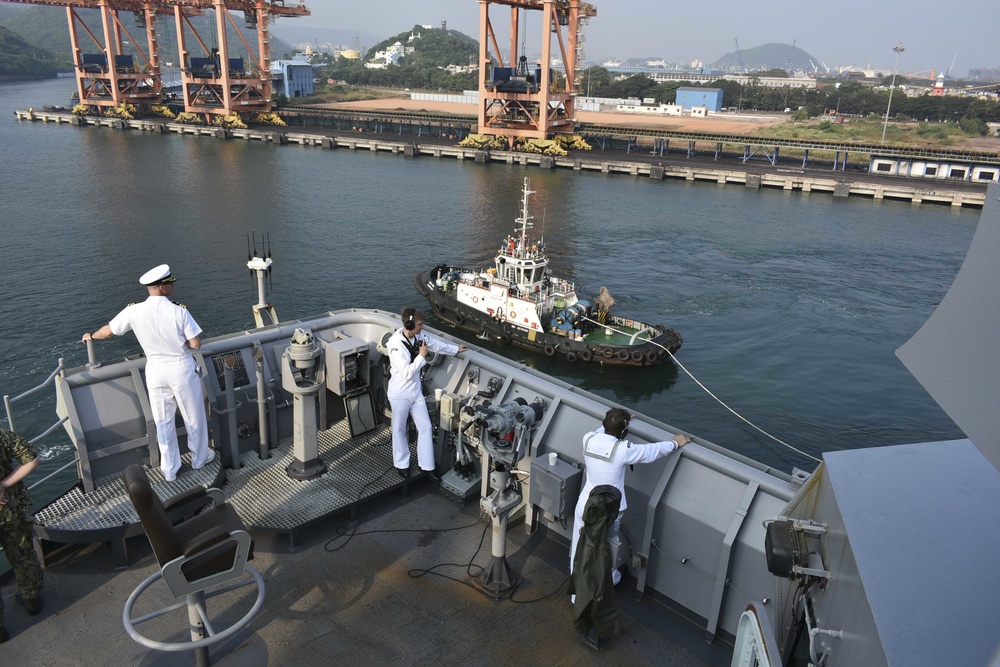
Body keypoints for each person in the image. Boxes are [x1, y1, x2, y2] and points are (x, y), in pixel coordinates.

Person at [82, 264, 212, 482]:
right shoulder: (179, 311)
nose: (172, 286)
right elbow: (195, 344)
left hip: (155, 369)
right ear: (161, 287)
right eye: (169, 283)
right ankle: (199, 459)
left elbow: (108, 331)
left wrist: (91, 336)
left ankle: (170, 469)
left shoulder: (133, 311)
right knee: (193, 416)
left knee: (163, 420)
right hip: (180, 367)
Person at [569, 407, 690, 586]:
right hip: (608, 510)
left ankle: (576, 590)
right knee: (608, 547)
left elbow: (601, 431)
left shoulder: (588, 438)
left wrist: (618, 421)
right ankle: (610, 581)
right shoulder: (624, 449)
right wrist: (674, 443)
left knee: (579, 545)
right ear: (624, 432)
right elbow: (650, 452)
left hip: (586, 504)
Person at [386, 307, 467, 479]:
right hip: (400, 394)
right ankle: (401, 464)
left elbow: (435, 344)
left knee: (426, 427)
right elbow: (407, 372)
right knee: (400, 429)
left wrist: (455, 349)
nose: (422, 327)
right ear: (409, 325)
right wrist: (422, 356)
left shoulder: (418, 336)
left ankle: (427, 466)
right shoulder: (395, 345)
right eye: (420, 324)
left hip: (415, 393)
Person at [0, 429, 44, 643]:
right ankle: (31, 599)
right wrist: (4, 485)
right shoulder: (1, 436)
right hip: (9, 510)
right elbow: (33, 460)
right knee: (23, 555)